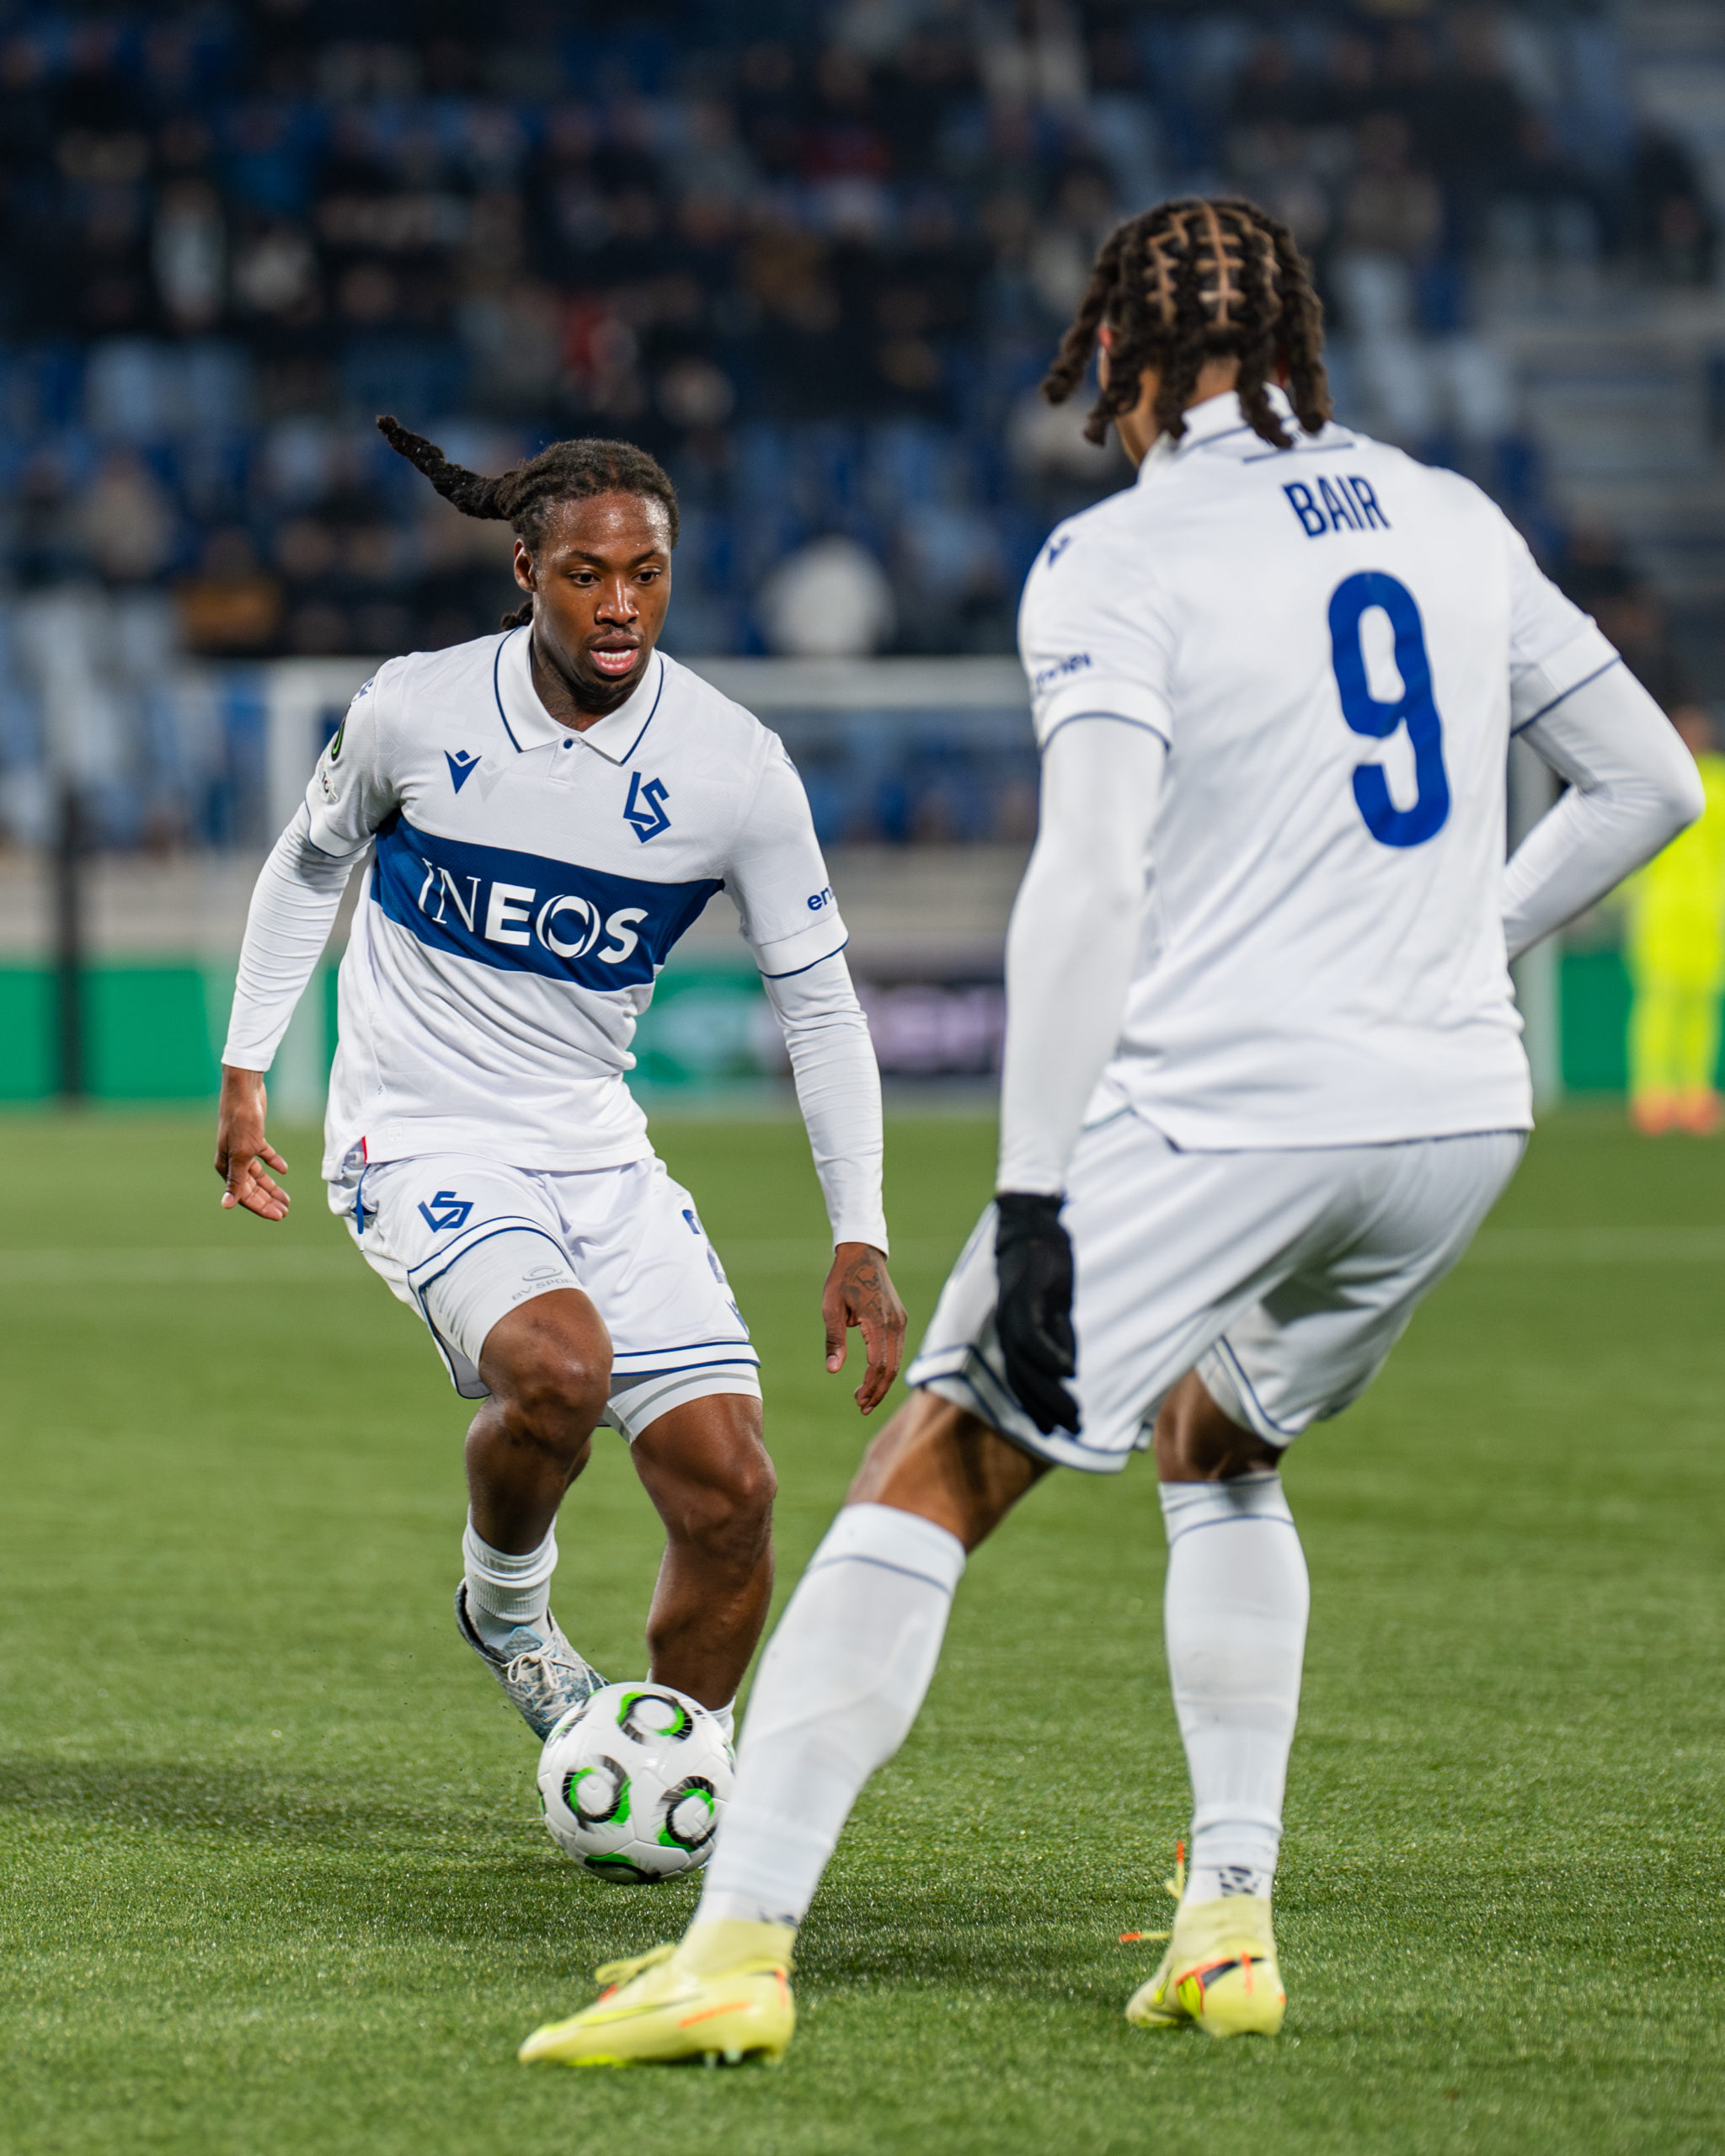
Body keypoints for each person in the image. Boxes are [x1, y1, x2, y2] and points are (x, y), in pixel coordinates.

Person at [515, 196, 1702, 2068]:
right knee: (1216, 1437)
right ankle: (1225, 1921)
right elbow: (1645, 783)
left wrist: (1032, 1194)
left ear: (1121, 366)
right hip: (1460, 1108)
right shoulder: (1450, 515)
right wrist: (1455, 946)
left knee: (930, 1468)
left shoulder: (1118, 554)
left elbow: (1084, 880)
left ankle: (734, 1948)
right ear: (1298, 345)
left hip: (1237, 1099)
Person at [215, 424, 905, 1748]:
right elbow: (308, 864)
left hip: (597, 1150)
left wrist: (859, 1231)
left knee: (734, 1493)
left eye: (648, 574)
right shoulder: (415, 709)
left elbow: (819, 1004)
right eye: (588, 574)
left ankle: (674, 1780)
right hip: (418, 1133)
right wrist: (248, 1069)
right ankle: (509, 1612)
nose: (621, 604)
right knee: (562, 1371)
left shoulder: (734, 767)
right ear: (527, 570)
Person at [1625, 706, 1725, 1134]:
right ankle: (1653, 1096)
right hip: (1660, 914)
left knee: (1701, 1005)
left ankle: (1695, 1094)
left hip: (1708, 915)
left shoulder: (1718, 784)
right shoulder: (1654, 781)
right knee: (1659, 1005)